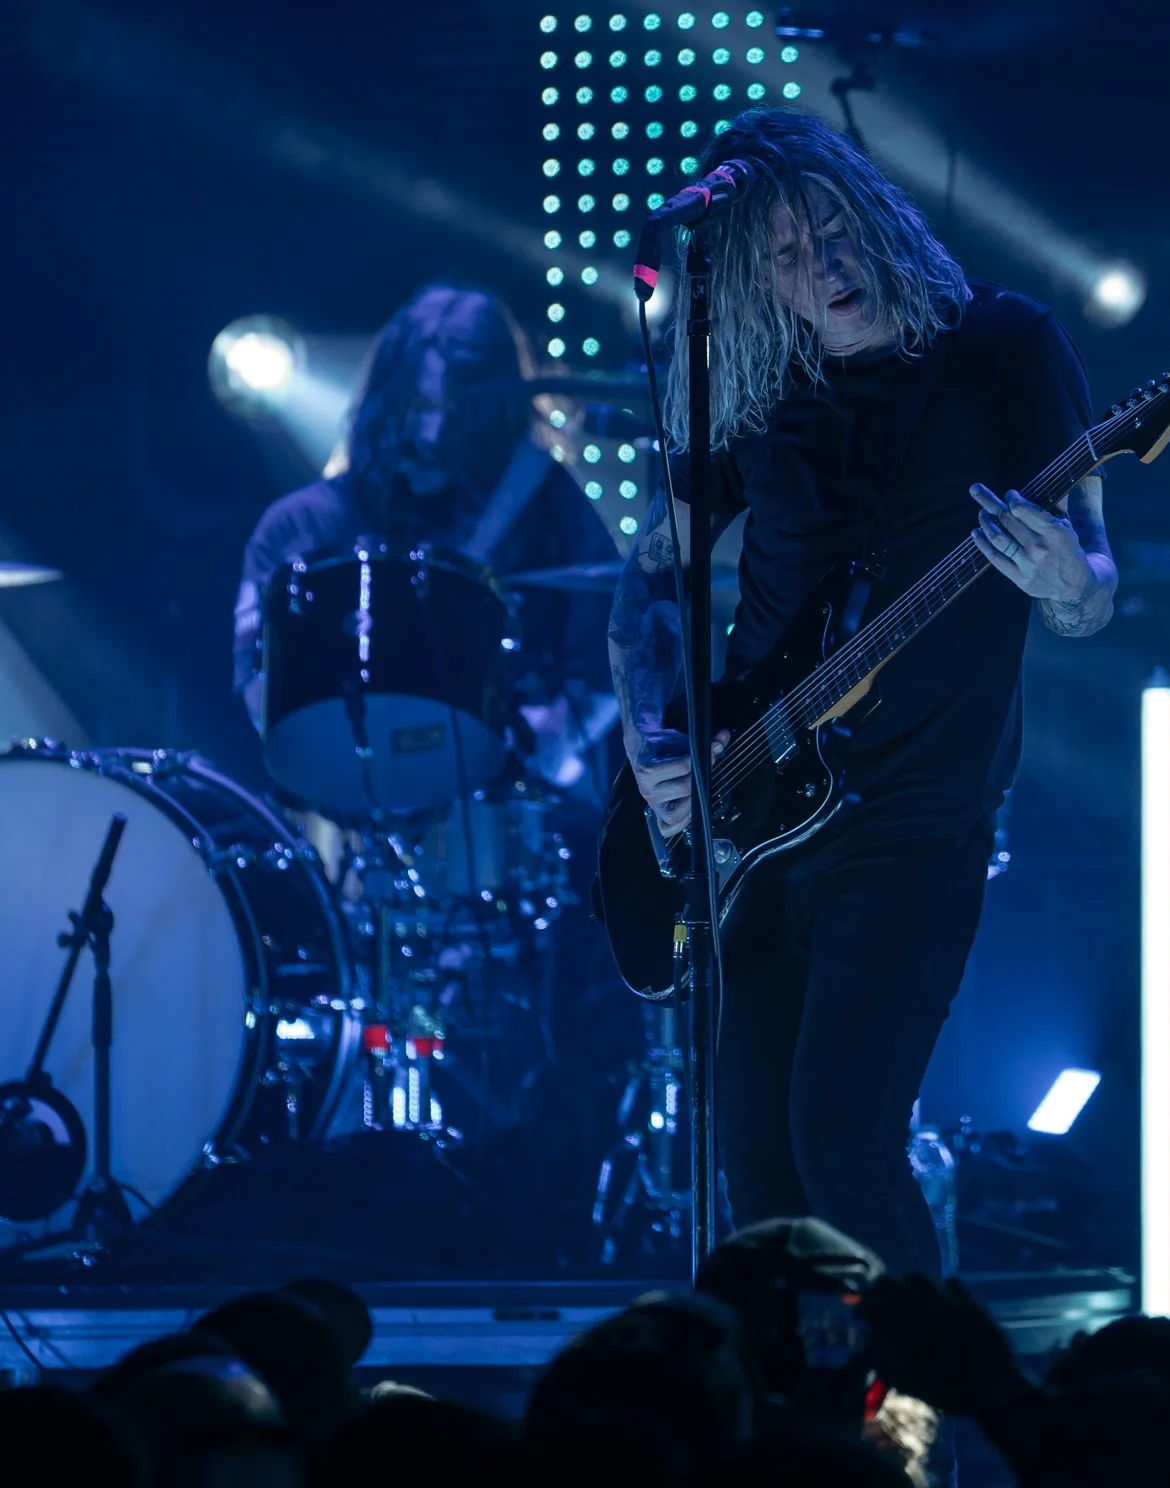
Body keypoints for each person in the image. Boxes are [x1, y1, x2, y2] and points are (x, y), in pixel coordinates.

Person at [606, 109, 1117, 1278]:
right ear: (750, 276)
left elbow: (1094, 574)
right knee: (758, 1173)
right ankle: (803, 1386)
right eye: (785, 254)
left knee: (843, 1139)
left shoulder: (1002, 345)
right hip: (752, 816)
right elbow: (649, 577)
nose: (822, 266)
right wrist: (646, 734)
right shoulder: (751, 380)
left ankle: (926, 1387)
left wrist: (1069, 585)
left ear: (876, 214)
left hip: (915, 817)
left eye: (833, 230)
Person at [234, 283, 618, 795]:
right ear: (386, 401)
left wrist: (547, 742)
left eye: (458, 414)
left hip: (508, 801)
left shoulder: (545, 502)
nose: (434, 433)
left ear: (497, 413)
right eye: (418, 406)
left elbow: (616, 651)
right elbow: (257, 675)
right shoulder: (299, 527)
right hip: (348, 798)